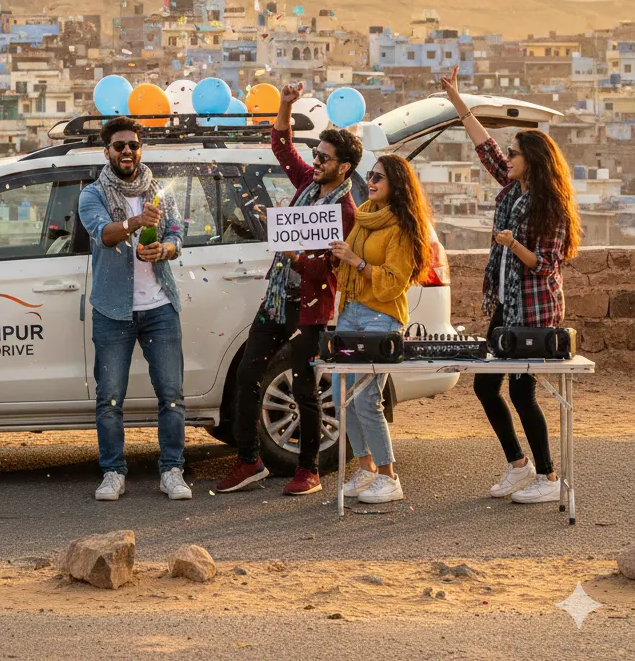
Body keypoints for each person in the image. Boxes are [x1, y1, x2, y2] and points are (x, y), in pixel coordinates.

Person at [440, 65, 581, 504]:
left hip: (536, 311)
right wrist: (457, 101)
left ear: (532, 161)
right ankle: (519, 465)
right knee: (486, 386)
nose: (508, 156)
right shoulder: (514, 190)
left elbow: (546, 265)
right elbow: (485, 149)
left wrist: (513, 244)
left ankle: (547, 476)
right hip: (506, 305)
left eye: (515, 152)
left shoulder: (550, 206)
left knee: (522, 392)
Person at [216, 82, 360, 496]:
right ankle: (248, 461)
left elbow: (329, 266)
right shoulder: (307, 186)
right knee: (247, 375)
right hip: (279, 298)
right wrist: (284, 103)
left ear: (344, 167)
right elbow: (281, 147)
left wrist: (295, 255)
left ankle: (309, 470)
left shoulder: (345, 210)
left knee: (303, 387)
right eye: (316, 155)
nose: (315, 162)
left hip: (311, 307)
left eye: (325, 158)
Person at [77, 117, 189, 501]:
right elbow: (104, 234)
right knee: (109, 397)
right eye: (120, 146)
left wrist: (166, 249)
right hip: (113, 309)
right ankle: (112, 472)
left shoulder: (159, 192)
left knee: (171, 394)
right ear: (106, 151)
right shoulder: (93, 194)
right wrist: (136, 221)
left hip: (160, 305)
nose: (128, 152)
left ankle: (172, 470)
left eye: (134, 146)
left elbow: (177, 234)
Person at [330, 154, 431, 504]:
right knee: (340, 395)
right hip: (351, 312)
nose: (370, 181)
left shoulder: (400, 227)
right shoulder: (364, 217)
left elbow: (392, 284)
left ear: (396, 185)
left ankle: (389, 477)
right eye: (370, 175)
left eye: (379, 177)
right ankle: (366, 468)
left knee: (368, 399)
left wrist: (356, 262)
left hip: (381, 318)